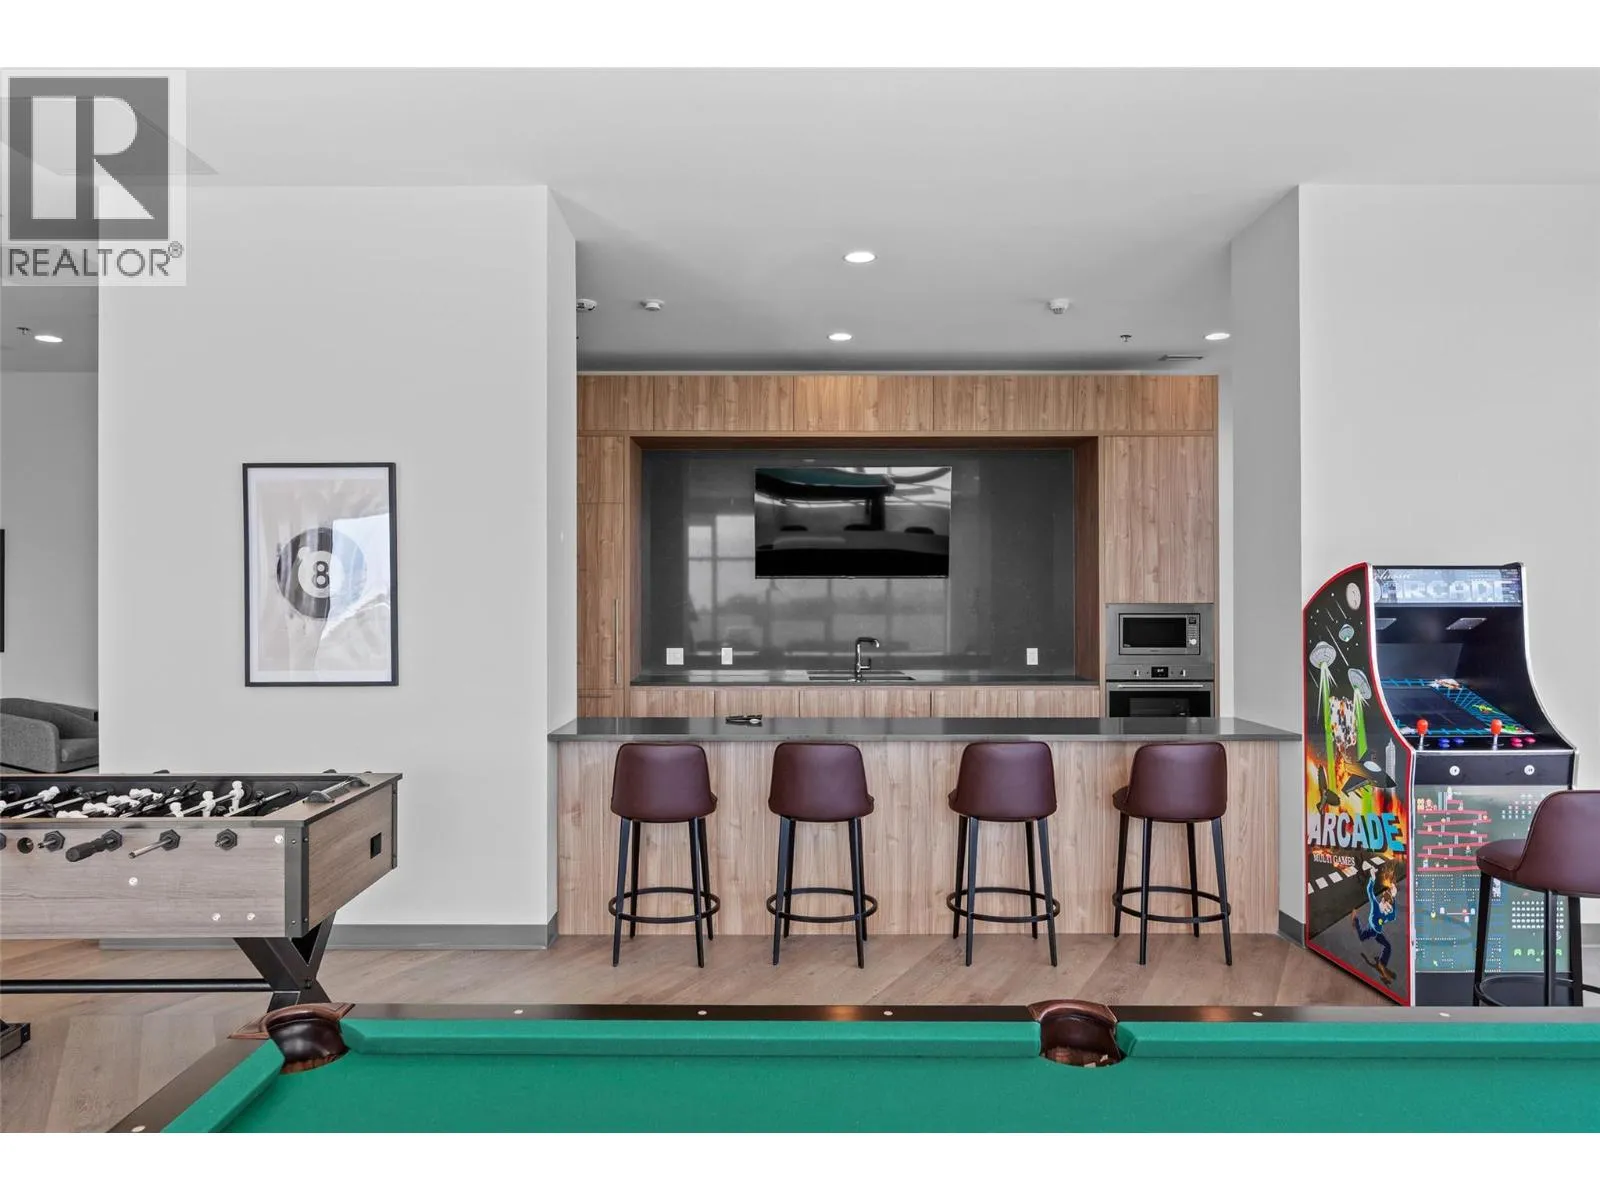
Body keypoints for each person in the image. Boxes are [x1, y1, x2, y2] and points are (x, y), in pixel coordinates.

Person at [1353, 863, 1399, 986]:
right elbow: (1370, 892)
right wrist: (1372, 878)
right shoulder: (1378, 908)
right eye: (1387, 905)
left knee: (1387, 946)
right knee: (1363, 937)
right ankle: (1356, 920)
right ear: (1382, 901)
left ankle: (1381, 964)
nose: (1387, 909)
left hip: (1376, 931)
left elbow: (1393, 916)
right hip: (1373, 928)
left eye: (1388, 907)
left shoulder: (1384, 911)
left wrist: (1394, 898)